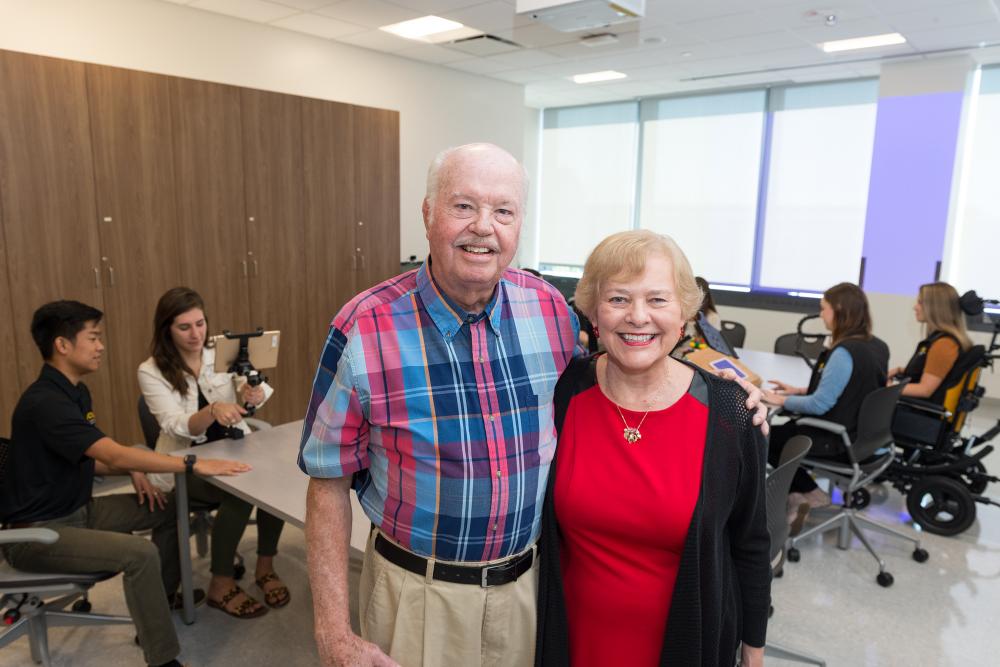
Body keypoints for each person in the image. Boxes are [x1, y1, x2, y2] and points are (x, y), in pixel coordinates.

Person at [299, 143, 768, 667]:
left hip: (530, 596)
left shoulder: (548, 311)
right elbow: (327, 483)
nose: (484, 227)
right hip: (418, 593)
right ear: (428, 213)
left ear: (519, 224)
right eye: (463, 206)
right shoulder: (363, 327)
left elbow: (633, 354)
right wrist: (333, 630)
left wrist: (726, 391)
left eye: (504, 211)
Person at [534, 231, 769, 667]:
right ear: (593, 314)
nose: (637, 317)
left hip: (687, 645)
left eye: (657, 300)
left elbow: (750, 542)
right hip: (571, 644)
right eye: (618, 299)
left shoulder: (731, 415)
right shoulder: (562, 394)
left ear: (684, 315)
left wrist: (753, 651)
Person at [0, 300, 249, 667]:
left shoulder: (75, 392)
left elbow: (94, 456)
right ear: (62, 345)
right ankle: (163, 658)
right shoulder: (45, 402)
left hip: (78, 509)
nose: (101, 346)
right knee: (140, 554)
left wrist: (133, 469)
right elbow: (113, 454)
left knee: (165, 508)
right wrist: (190, 462)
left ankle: (158, 604)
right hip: (40, 533)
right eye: (93, 337)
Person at [138, 287, 289, 619]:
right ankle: (221, 584)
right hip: (185, 462)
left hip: (233, 445)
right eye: (184, 327)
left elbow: (255, 396)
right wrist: (214, 409)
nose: (196, 334)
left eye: (200, 323)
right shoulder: (151, 370)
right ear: (166, 329)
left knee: (275, 480)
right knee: (243, 491)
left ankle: (265, 567)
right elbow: (176, 424)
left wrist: (252, 393)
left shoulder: (218, 352)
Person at [762, 283, 890, 529]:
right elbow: (854, 388)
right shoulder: (877, 345)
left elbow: (820, 404)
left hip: (836, 439)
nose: (821, 314)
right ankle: (799, 494)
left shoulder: (844, 351)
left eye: (823, 309)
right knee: (781, 433)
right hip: (863, 437)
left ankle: (811, 493)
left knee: (763, 437)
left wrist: (780, 400)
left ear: (839, 310)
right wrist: (798, 391)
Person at [890, 282, 972, 401]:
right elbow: (931, 372)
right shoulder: (943, 341)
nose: (915, 307)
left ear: (935, 308)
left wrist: (886, 388)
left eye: (920, 303)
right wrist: (899, 370)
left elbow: (924, 390)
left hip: (916, 413)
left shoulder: (944, 344)